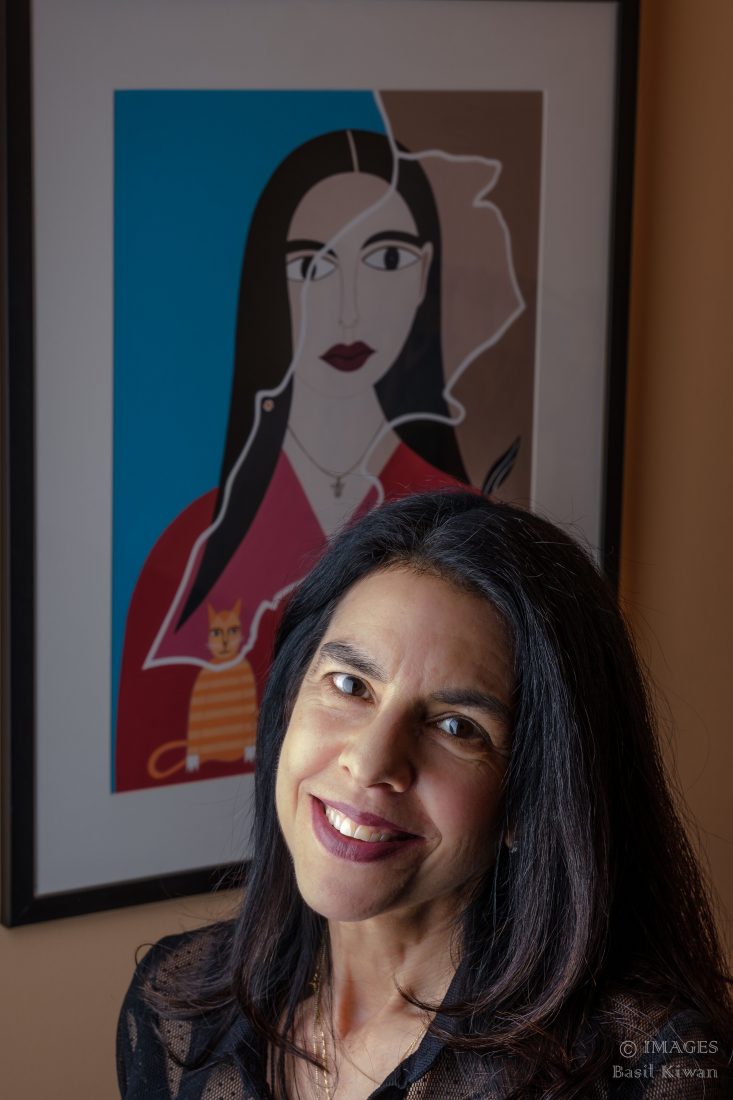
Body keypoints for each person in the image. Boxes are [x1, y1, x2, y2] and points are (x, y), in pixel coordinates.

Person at [118, 490, 733, 1098]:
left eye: (457, 727)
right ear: (287, 705)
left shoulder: (651, 1073)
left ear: (532, 795)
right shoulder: (176, 1013)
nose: (370, 762)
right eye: (350, 683)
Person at [114, 129, 524, 790]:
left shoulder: (477, 546)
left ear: (423, 274)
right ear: (269, 286)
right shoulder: (186, 554)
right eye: (312, 266)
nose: (348, 309)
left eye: (385, 258)